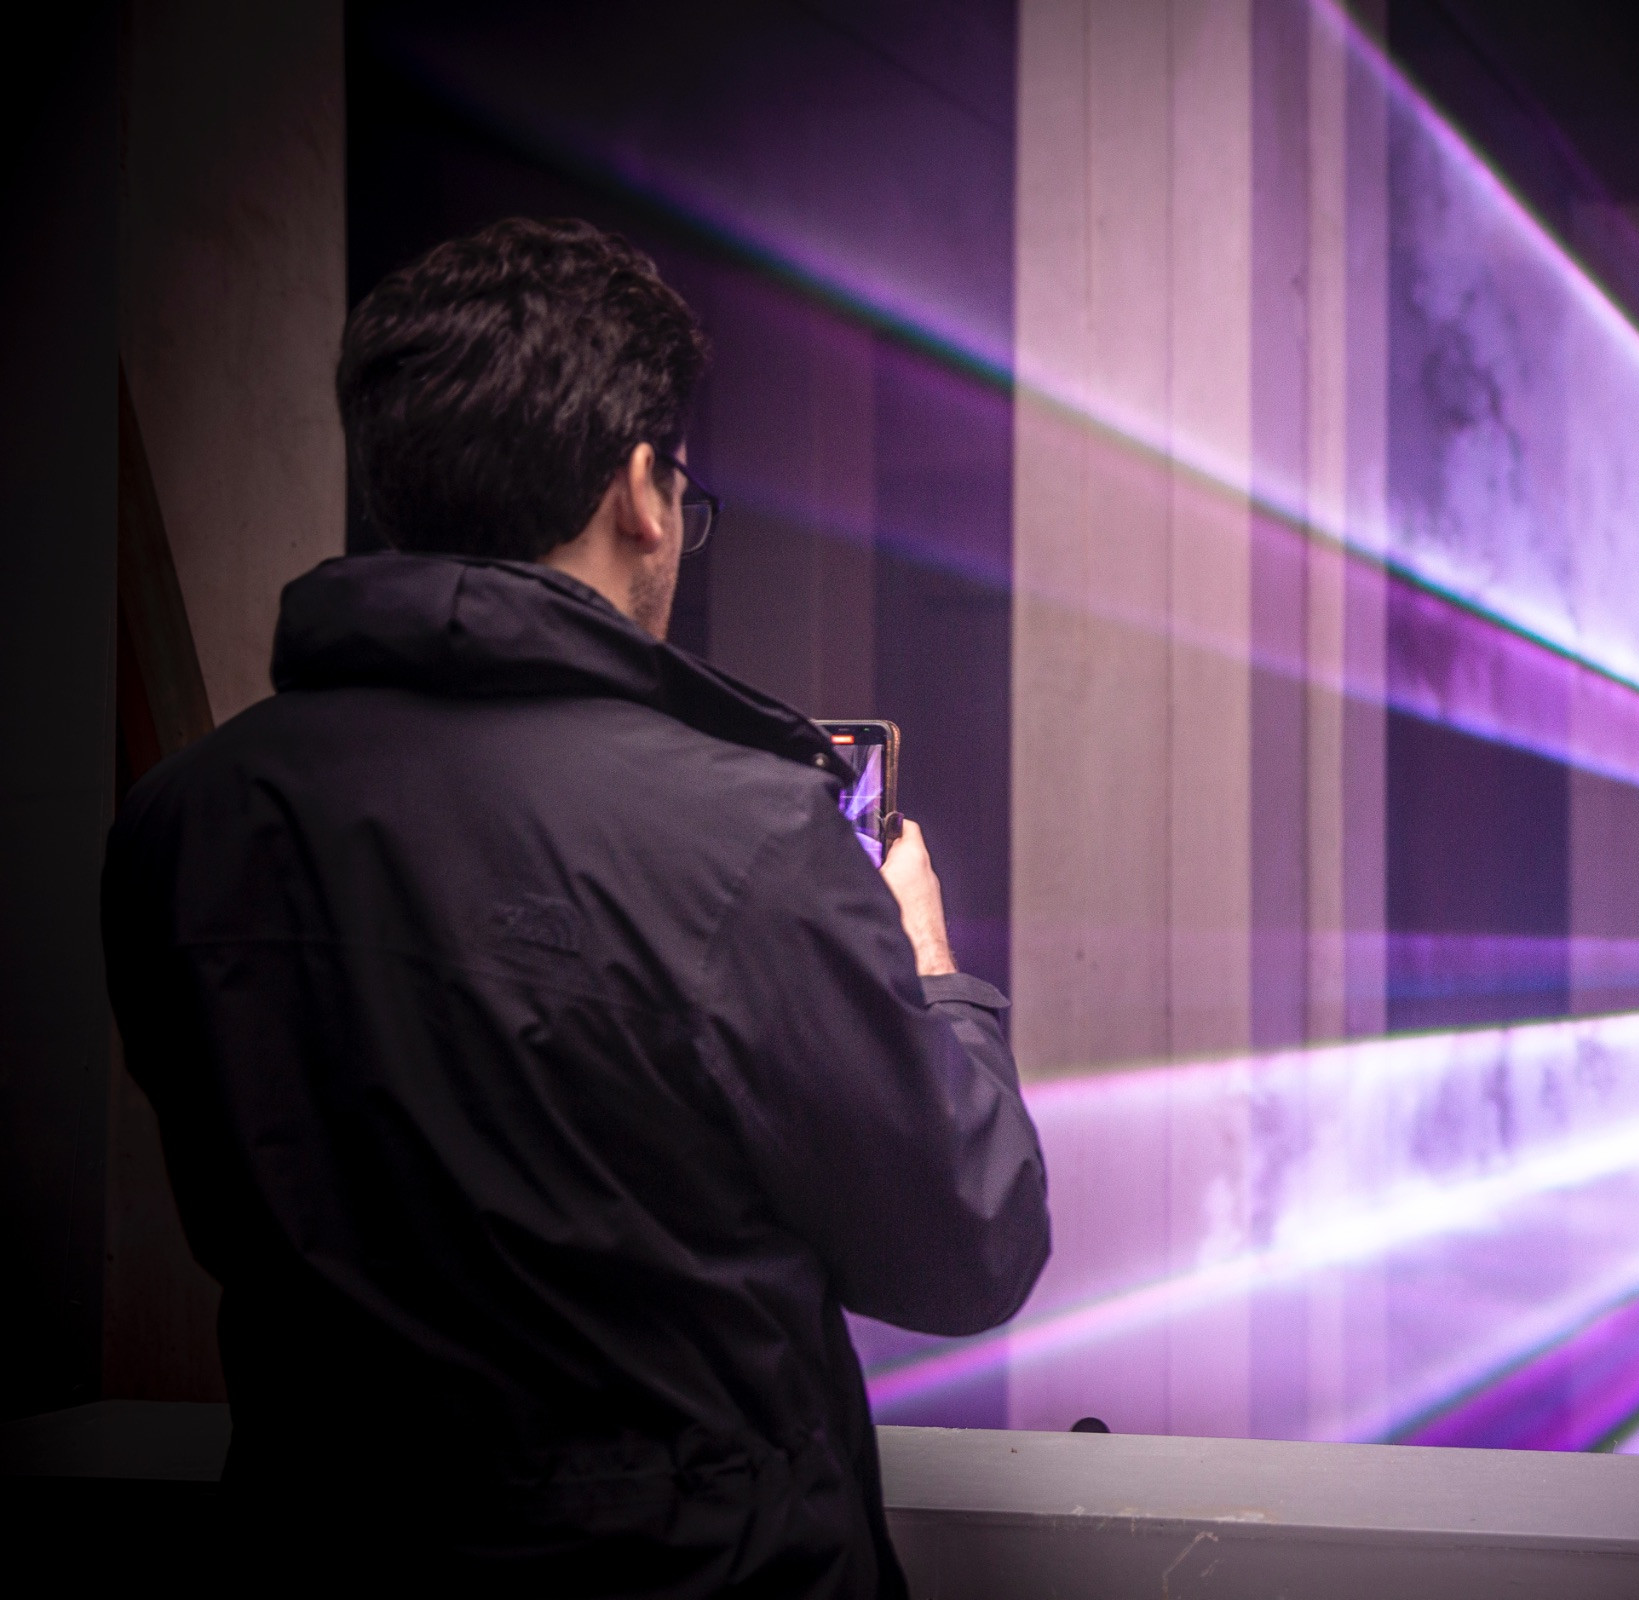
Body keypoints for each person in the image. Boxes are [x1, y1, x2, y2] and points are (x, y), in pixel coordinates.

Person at [100, 218, 1049, 1598]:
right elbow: (968, 1246)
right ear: (642, 492)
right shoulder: (744, 837)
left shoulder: (180, 821)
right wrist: (931, 973)